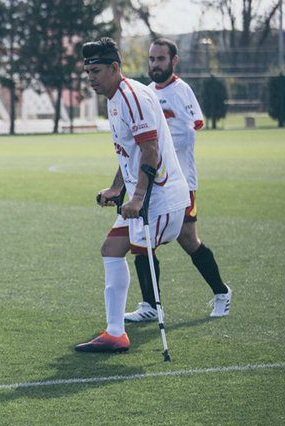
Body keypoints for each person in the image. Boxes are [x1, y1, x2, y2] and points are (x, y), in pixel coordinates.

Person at [75, 37, 190, 353]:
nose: (91, 79)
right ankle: (115, 333)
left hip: (160, 200)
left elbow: (150, 151)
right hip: (145, 199)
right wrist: (116, 188)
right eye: (87, 72)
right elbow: (129, 152)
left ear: (115, 68)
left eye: (95, 71)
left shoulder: (133, 97)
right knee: (111, 248)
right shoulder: (114, 98)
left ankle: (138, 317)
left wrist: (137, 197)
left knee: (140, 252)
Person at [123, 38, 232, 322]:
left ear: (174, 61)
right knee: (143, 241)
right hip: (154, 183)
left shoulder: (182, 91)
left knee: (188, 239)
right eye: (151, 59)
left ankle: (222, 293)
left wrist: (157, 142)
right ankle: (150, 305)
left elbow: (190, 132)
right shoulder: (145, 93)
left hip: (182, 182)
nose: (154, 64)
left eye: (160, 59)